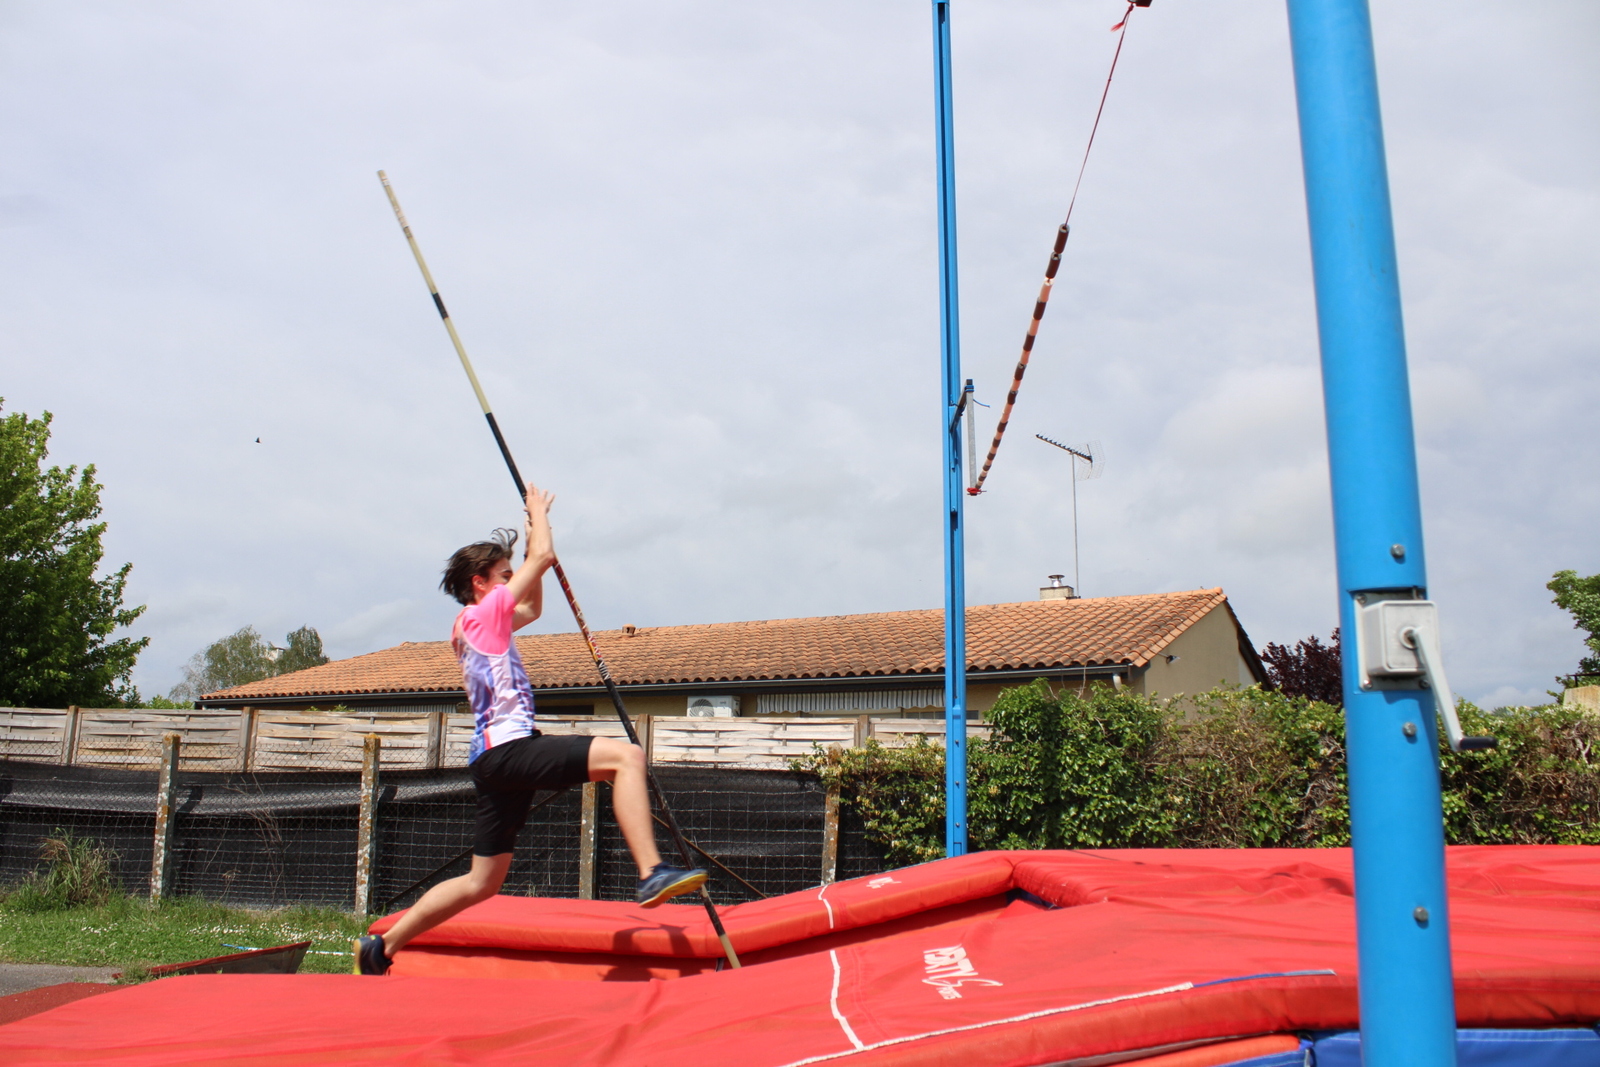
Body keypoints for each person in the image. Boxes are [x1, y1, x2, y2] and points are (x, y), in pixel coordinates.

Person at [355, 484, 706, 976]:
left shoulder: (478, 623)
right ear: (480, 583)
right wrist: (539, 518)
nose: (511, 581)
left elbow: (534, 606)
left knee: (482, 882)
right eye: (504, 575)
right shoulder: (481, 616)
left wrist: (527, 553)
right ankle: (652, 872)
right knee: (626, 757)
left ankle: (380, 948)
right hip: (509, 749)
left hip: (492, 759)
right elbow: (542, 559)